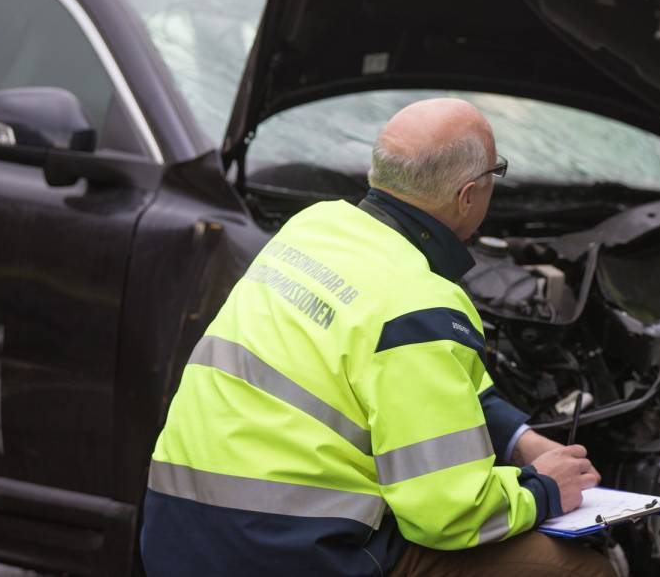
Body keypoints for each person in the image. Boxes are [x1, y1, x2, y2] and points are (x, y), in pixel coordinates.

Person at [140, 98, 614, 577]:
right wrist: (544, 488)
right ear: (467, 196)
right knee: (581, 569)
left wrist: (520, 440)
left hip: (177, 536)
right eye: (497, 172)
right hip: (290, 556)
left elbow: (432, 386)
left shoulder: (309, 229)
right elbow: (450, 514)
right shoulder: (420, 305)